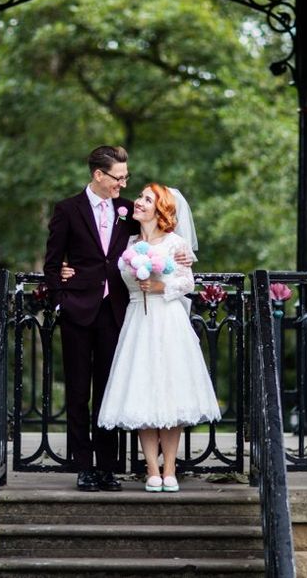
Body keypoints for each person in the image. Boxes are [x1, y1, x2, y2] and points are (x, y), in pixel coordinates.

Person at [44, 146, 191, 491]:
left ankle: (108, 467)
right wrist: (61, 301)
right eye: (118, 178)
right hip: (78, 311)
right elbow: (52, 264)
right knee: (78, 392)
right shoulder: (68, 210)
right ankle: (83, 466)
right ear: (99, 175)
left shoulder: (128, 210)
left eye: (125, 178)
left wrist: (180, 250)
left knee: (111, 390)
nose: (123, 185)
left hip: (118, 314)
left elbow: (156, 234)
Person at [97, 182, 221, 493]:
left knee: (171, 393)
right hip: (138, 320)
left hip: (168, 321)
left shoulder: (175, 244)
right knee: (143, 392)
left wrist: (162, 288)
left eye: (146, 199)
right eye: (139, 197)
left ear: (160, 209)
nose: (138, 202)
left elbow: (188, 283)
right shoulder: (128, 243)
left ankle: (170, 469)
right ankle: (151, 469)